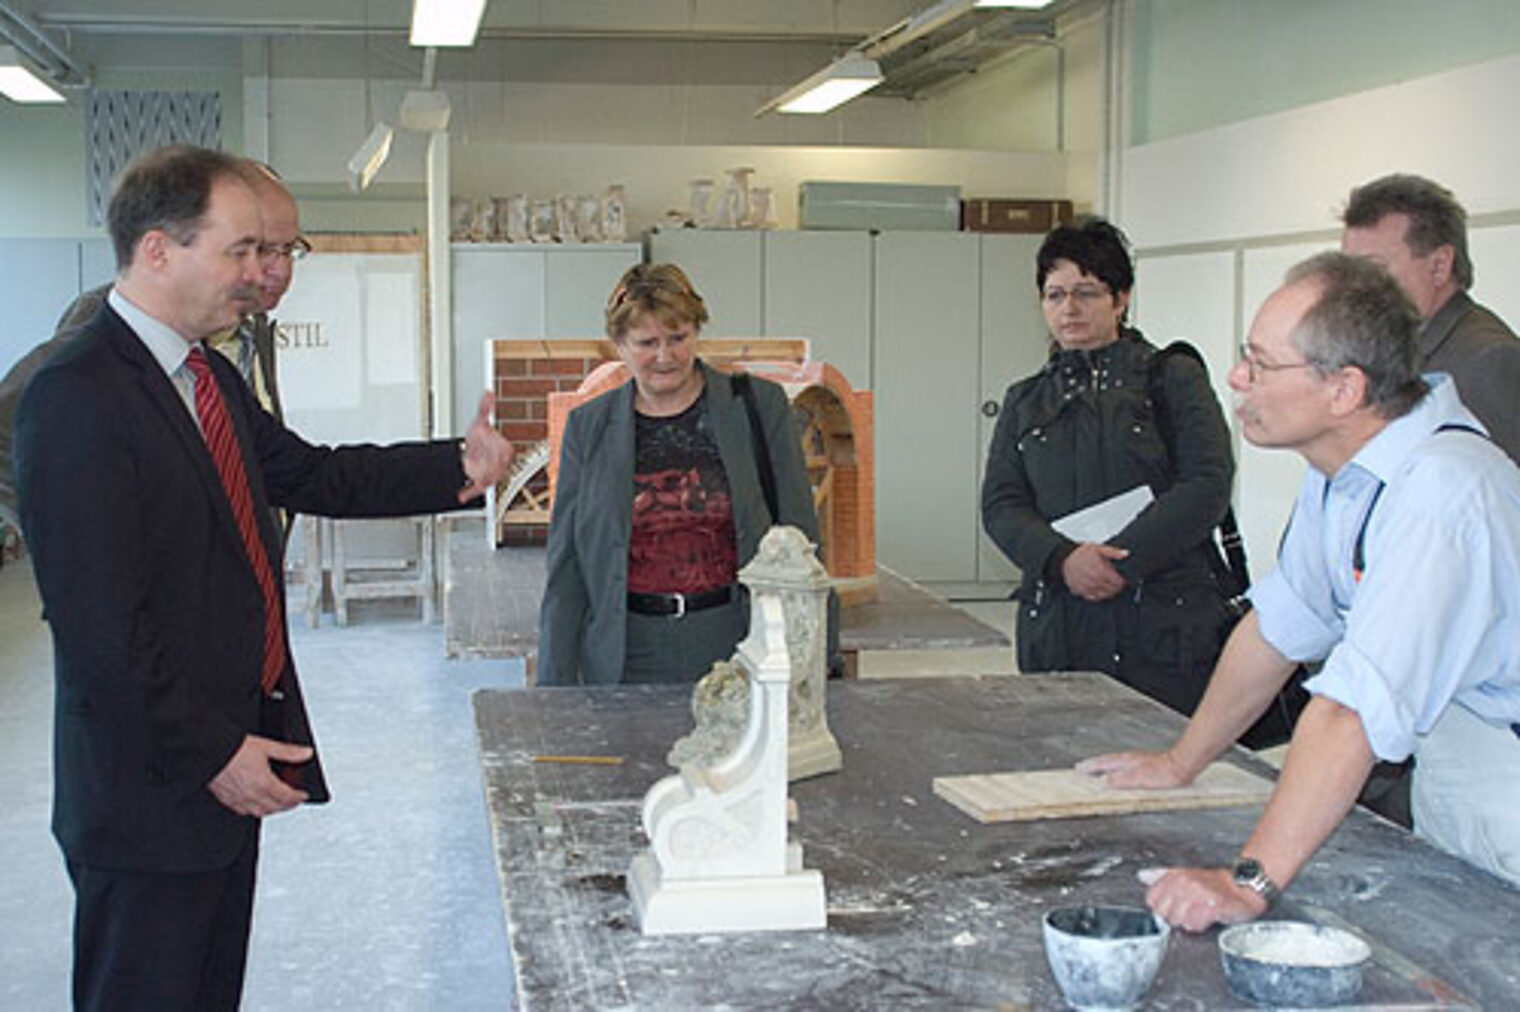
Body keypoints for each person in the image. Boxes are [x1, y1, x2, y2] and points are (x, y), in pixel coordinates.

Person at [14, 145, 514, 1010]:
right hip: (153, 791)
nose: (265, 275)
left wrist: (456, 469)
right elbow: (100, 631)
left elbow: (312, 474)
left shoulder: (202, 374)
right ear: (158, 249)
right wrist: (215, 753)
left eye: (277, 252)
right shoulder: (77, 393)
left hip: (221, 770)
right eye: (244, 250)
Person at [1079, 252, 1520, 932]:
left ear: (1343, 389)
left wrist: (1248, 881)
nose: (1237, 378)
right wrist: (1181, 761)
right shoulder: (1342, 469)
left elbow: (1352, 712)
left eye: (1260, 364)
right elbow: (1280, 625)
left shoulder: (1442, 493)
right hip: (1460, 778)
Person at [980, 219, 1289, 741]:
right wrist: (1063, 560)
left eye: (1086, 293)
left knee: (1165, 771)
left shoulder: (1171, 377)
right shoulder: (1026, 400)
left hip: (1164, 632)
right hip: (1060, 624)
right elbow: (1001, 504)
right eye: (1054, 295)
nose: (1069, 309)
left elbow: (1207, 483)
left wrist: (1120, 561)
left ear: (1121, 298)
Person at [537, 262, 821, 685]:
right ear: (619, 345)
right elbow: (567, 565)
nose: (665, 356)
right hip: (626, 652)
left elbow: (802, 539)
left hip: (739, 644)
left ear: (697, 331)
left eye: (678, 337)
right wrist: (552, 688)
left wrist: (819, 661)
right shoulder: (588, 427)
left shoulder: (757, 407)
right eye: (647, 342)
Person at [0, 158, 300, 531]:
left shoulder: (247, 328)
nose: (277, 270)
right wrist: (63, 531)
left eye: (288, 250)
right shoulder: (103, 328)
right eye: (253, 249)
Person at [1341, 172, 1520, 463]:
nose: (1352, 287)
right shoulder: (1390, 351)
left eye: (1371, 270)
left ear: (1439, 266)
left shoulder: (1490, 361)